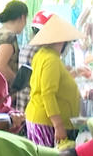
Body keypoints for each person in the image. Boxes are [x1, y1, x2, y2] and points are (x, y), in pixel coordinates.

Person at [23, 13, 82, 147]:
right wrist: (58, 125)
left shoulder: (43, 55)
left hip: (40, 119)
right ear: (61, 40)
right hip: (46, 123)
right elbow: (48, 94)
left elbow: (55, 82)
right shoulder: (51, 60)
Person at [0, 0, 29, 88]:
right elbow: (0, 66)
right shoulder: (9, 37)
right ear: (22, 17)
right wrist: (17, 82)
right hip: (1, 89)